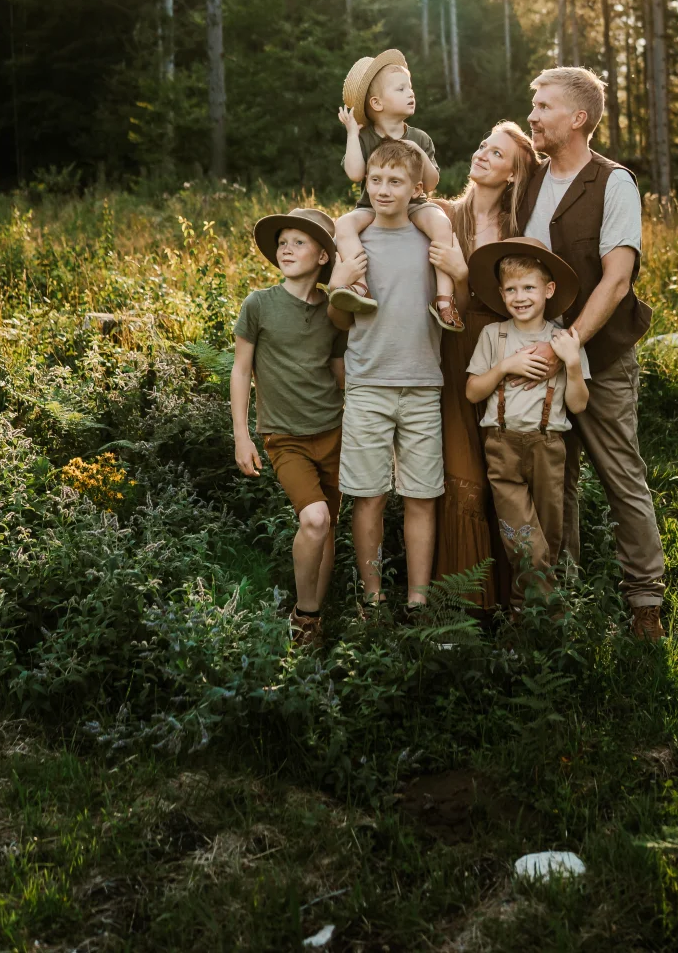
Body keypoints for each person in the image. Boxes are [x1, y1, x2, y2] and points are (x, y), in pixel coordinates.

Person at [519, 65, 665, 641]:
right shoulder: (527, 179)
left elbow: (617, 281)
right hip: (533, 359)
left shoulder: (614, 183)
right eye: (532, 105)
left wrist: (570, 344)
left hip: (598, 358)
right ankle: (564, 599)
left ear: (578, 118)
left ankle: (644, 602)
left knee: (619, 474)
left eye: (544, 106)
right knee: (555, 484)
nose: (532, 114)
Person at [327, 138, 445, 614]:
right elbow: (339, 319)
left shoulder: (429, 238)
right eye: (375, 180)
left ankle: (418, 598)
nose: (382, 189)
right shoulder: (355, 243)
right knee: (368, 495)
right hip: (368, 385)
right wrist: (339, 281)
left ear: (416, 187)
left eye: (395, 181)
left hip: (422, 384)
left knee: (421, 495)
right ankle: (372, 598)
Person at [427, 121, 540, 612]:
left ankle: (516, 599)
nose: (482, 155)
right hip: (450, 355)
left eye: (496, 153)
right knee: (461, 469)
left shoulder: (520, 234)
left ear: (514, 174)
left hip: (501, 358)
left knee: (503, 470)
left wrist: (463, 274)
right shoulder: (442, 217)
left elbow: (510, 305)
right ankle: (463, 604)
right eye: (482, 145)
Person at [230, 207, 349, 650]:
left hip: (333, 431)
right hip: (285, 437)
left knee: (329, 524)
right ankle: (304, 615)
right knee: (314, 519)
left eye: (300, 242)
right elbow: (241, 371)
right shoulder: (259, 304)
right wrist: (242, 435)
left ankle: (318, 618)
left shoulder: (335, 314)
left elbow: (340, 375)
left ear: (322, 257)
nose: (287, 248)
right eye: (283, 241)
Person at [465, 240, 589, 607]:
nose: (520, 297)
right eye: (511, 289)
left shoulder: (564, 340)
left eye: (529, 287)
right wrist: (504, 367)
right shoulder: (495, 336)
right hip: (502, 446)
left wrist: (572, 364)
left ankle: (530, 624)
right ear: (501, 294)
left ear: (548, 290)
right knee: (522, 539)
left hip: (548, 447)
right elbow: (473, 392)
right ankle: (542, 619)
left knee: (547, 539)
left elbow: (579, 404)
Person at [331, 48, 463, 332]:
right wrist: (352, 134)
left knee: (441, 222)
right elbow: (355, 173)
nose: (410, 93)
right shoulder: (365, 137)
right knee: (344, 224)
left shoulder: (419, 137)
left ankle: (443, 298)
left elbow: (430, 183)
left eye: (410, 88)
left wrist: (416, 151)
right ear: (377, 103)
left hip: (415, 205)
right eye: (401, 88)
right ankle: (359, 286)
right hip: (372, 207)